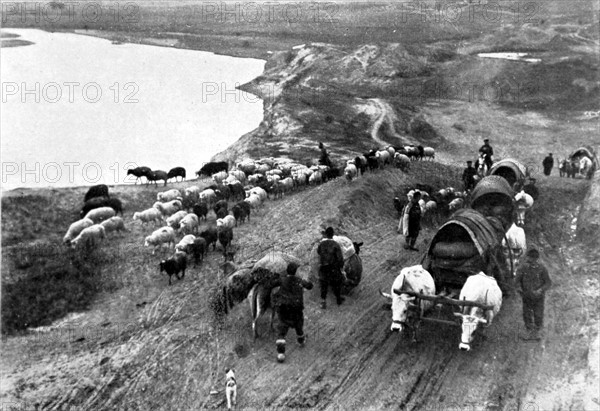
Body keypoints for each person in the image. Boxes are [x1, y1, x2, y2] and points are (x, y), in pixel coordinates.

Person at [271, 262, 313, 363]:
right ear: (295, 271)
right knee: (299, 324)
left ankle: (281, 354)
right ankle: (301, 340)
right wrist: (308, 281)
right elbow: (309, 286)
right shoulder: (299, 281)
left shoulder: (282, 279)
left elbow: (272, 283)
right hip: (296, 308)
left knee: (282, 329)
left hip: (284, 308)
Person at [514, 247, 552, 340]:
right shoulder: (523, 268)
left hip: (539, 297)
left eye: (530, 258)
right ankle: (529, 332)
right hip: (526, 296)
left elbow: (548, 283)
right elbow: (517, 281)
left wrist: (540, 290)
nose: (528, 259)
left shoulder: (542, 269)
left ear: (535, 259)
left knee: (538, 315)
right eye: (528, 257)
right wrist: (519, 289)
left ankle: (538, 332)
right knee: (527, 315)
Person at [317, 227, 345, 309]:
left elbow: (318, 252)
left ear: (325, 234)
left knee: (323, 285)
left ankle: (323, 301)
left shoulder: (321, 244)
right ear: (333, 234)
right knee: (337, 283)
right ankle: (338, 299)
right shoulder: (336, 245)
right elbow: (340, 258)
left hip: (323, 268)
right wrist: (341, 267)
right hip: (333, 268)